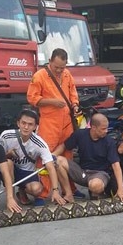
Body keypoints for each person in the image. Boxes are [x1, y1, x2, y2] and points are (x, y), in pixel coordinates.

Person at [26, 48, 81, 199]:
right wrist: (52, 102)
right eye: (56, 67)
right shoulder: (39, 76)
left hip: (67, 123)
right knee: (46, 157)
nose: (59, 70)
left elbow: (73, 93)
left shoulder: (67, 74)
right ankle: (43, 194)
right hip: (49, 123)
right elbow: (32, 98)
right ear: (50, 61)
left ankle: (70, 188)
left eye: (62, 67)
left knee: (67, 157)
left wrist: (75, 105)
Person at [0, 109, 68, 206]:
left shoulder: (39, 143)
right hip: (9, 171)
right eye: (23, 123)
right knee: (8, 162)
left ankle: (22, 190)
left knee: (36, 189)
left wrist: (55, 190)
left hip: (27, 173)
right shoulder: (6, 136)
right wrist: (7, 155)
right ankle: (11, 199)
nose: (26, 127)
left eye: (30, 124)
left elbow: (50, 166)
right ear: (18, 123)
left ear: (35, 127)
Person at [55, 113, 123, 202]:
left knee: (95, 185)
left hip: (100, 173)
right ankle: (68, 194)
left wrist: (121, 189)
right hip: (83, 172)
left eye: (106, 128)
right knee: (58, 160)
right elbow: (64, 146)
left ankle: (96, 193)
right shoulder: (80, 134)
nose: (106, 131)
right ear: (93, 127)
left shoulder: (109, 142)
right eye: (103, 129)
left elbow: (116, 165)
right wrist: (52, 156)